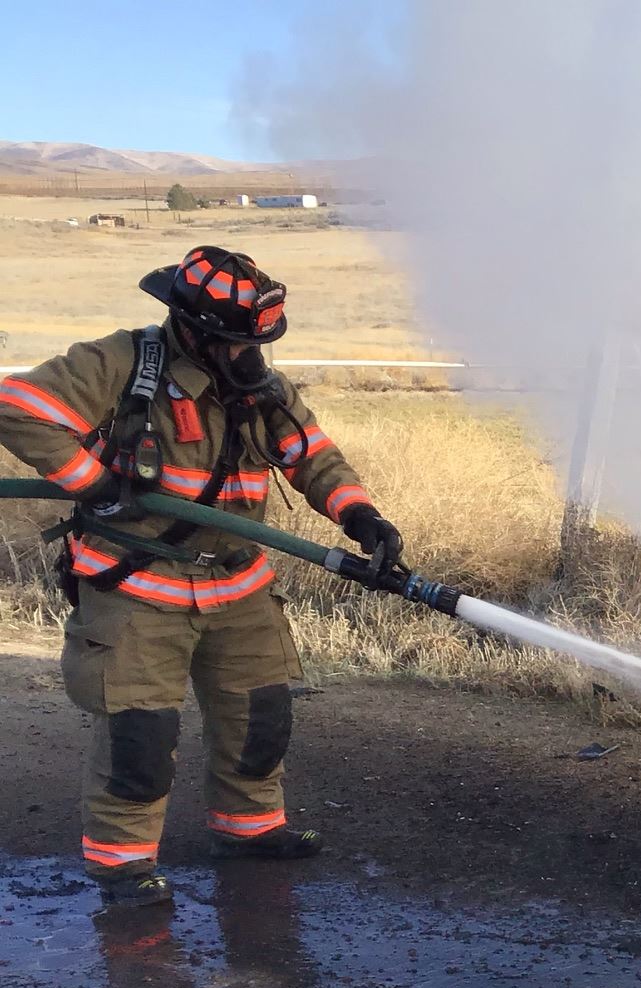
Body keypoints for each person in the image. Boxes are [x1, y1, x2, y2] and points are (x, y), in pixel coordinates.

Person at [0, 246, 403, 909]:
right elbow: (17, 406)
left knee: (261, 718)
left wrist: (360, 515)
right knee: (140, 737)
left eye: (257, 342)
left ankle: (248, 831)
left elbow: (311, 453)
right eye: (236, 341)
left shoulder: (260, 387)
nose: (251, 357)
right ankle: (124, 867)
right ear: (191, 327)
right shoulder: (122, 365)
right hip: (137, 590)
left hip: (238, 587)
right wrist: (95, 484)